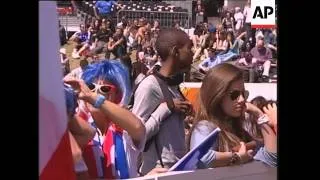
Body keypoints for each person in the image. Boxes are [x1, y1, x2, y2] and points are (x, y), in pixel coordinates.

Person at [65, 60, 146, 179]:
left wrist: (92, 97)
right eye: (91, 87)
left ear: (117, 95)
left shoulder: (125, 126)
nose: (96, 92)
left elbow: (138, 127)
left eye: (105, 89)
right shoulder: (81, 129)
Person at [188, 63, 277, 169]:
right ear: (217, 96)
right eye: (234, 95)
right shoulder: (205, 126)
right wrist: (236, 157)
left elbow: (271, 158)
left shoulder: (240, 131)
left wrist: (258, 113)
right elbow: (201, 158)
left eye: (243, 94)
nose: (242, 99)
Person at [132, 28, 194, 175]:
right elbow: (136, 137)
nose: (193, 52)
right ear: (175, 51)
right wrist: (166, 108)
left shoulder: (173, 85)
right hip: (157, 172)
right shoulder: (149, 86)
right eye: (189, 48)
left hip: (177, 169)